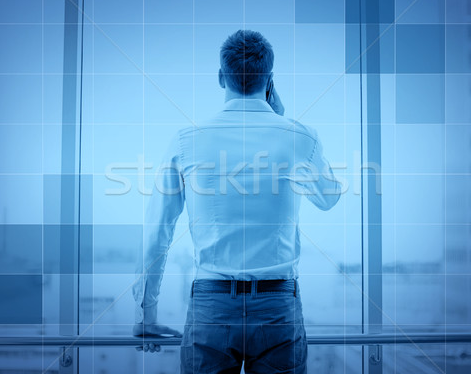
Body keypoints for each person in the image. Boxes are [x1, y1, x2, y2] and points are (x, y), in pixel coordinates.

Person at [132, 29, 341, 373]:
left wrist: (146, 312)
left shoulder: (186, 141)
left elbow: (158, 232)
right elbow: (328, 197)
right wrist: (282, 119)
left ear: (220, 77)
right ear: (270, 80)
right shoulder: (301, 137)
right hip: (278, 307)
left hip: (211, 307)